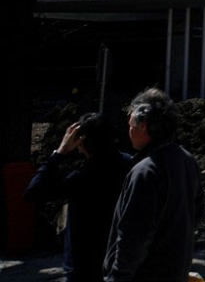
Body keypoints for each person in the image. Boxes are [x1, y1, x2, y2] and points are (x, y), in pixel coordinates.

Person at [104, 88, 201, 282]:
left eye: (131, 123)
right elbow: (196, 213)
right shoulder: (187, 160)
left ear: (144, 126)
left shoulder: (145, 172)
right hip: (175, 270)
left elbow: (133, 236)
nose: (129, 129)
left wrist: (117, 277)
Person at [24, 113, 132, 282]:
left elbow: (33, 192)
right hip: (120, 258)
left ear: (81, 141)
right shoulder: (130, 166)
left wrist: (59, 153)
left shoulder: (80, 179)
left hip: (83, 265)